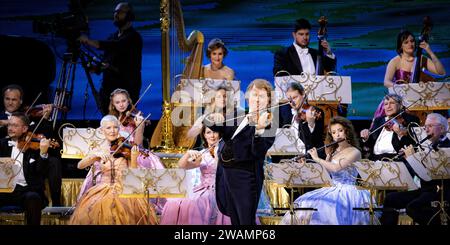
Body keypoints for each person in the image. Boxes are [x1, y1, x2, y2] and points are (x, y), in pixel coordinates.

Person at [77, 88, 165, 210]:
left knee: (141, 163)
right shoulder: (110, 120)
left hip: (131, 152)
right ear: (113, 104)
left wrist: (139, 126)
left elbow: (138, 144)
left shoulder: (135, 118)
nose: (121, 104)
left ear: (128, 101)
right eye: (117, 102)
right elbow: (103, 141)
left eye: (124, 101)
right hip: (113, 152)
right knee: (100, 165)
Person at [204, 78, 276, 225]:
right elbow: (217, 127)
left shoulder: (270, 124)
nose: (256, 100)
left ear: (268, 101)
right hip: (226, 176)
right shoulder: (238, 114)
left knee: (246, 222)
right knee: (235, 221)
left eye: (261, 96)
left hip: (246, 178)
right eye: (254, 95)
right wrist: (212, 118)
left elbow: (257, 152)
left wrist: (259, 129)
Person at [280, 116, 372, 225]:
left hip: (348, 191)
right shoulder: (333, 152)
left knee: (326, 207)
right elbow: (325, 174)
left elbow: (336, 168)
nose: (337, 135)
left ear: (347, 131)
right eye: (333, 132)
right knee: (303, 202)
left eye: (340, 131)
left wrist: (317, 158)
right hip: (332, 188)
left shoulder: (355, 152)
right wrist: (306, 164)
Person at [69, 115, 157, 225]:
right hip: (102, 189)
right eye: (108, 128)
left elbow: (134, 177)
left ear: (119, 129)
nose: (112, 131)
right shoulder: (99, 150)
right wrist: (95, 155)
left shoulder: (126, 148)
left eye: (115, 127)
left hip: (124, 189)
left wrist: (134, 158)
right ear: (102, 130)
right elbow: (80, 165)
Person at [381, 113, 449, 225]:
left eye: (430, 126)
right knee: (390, 198)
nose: (426, 130)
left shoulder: (447, 146)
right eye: (425, 126)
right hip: (426, 190)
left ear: (442, 128)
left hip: (441, 191)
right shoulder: (427, 146)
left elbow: (429, 177)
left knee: (413, 207)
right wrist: (410, 158)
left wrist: (412, 158)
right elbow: (421, 175)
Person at [0, 84, 62, 206]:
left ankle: (56, 204)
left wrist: (45, 118)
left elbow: (43, 134)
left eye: (14, 99)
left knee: (53, 161)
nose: (10, 103)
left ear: (20, 101)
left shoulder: (29, 118)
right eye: (7, 99)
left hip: (27, 158)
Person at [79, 2, 143, 114]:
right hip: (108, 89)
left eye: (119, 12)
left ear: (129, 16)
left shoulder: (134, 37)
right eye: (115, 12)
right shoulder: (112, 36)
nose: (116, 15)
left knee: (124, 124)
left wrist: (88, 41)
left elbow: (115, 46)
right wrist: (97, 68)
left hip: (126, 89)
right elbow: (108, 60)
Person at [160, 126, 231, 224]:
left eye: (215, 132)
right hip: (203, 189)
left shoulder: (226, 151)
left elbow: (224, 169)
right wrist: (188, 154)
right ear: (204, 135)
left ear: (220, 134)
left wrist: (217, 154)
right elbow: (182, 166)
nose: (212, 136)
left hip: (221, 189)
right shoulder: (202, 153)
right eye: (209, 132)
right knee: (173, 202)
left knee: (194, 203)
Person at [373, 30, 446, 118]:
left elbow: (441, 72)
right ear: (401, 45)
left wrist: (429, 51)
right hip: (399, 99)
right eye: (406, 42)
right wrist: (404, 89)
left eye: (412, 41)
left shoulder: (421, 59)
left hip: (416, 99)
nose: (410, 44)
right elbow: (386, 82)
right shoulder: (395, 61)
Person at [0, 112, 50, 225]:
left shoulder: (34, 147)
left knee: (33, 198)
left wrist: (43, 153)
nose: (10, 128)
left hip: (26, 190)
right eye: (9, 125)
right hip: (3, 190)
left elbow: (41, 172)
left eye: (15, 126)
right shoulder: (1, 144)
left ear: (24, 128)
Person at [360, 94, 419, 160]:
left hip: (395, 159)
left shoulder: (410, 119)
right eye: (386, 104)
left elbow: (412, 145)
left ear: (400, 105)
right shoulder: (379, 120)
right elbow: (370, 143)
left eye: (392, 103)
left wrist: (400, 133)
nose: (388, 106)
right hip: (375, 159)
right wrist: (366, 137)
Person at [279, 82, 325, 157]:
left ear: (303, 94)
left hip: (311, 156)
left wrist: (311, 123)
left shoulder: (316, 112)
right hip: (290, 157)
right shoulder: (285, 111)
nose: (292, 102)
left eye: (295, 97)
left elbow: (316, 140)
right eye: (289, 99)